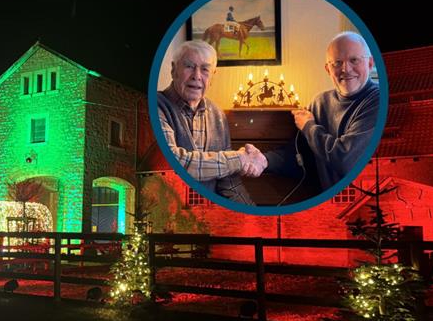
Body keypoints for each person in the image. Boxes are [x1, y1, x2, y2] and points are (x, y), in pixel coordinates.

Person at [257, 31, 380, 191]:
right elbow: (298, 155)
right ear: (328, 69)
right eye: (337, 63)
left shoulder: (378, 100)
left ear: (370, 63)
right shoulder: (319, 103)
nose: (346, 69)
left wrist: (309, 126)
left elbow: (347, 161)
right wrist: (263, 160)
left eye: (354, 60)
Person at [157, 40, 267, 205]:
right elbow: (176, 163)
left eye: (205, 69)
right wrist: (239, 159)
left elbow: (229, 184)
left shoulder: (217, 115)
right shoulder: (157, 105)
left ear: (213, 76)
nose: (197, 75)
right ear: (174, 70)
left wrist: (255, 215)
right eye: (189, 66)